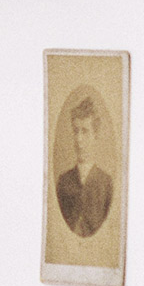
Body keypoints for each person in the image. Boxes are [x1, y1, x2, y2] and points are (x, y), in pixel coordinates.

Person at [55, 95, 113, 237]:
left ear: (95, 135)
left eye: (85, 131)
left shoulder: (106, 183)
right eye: (76, 131)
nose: (79, 139)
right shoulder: (63, 182)